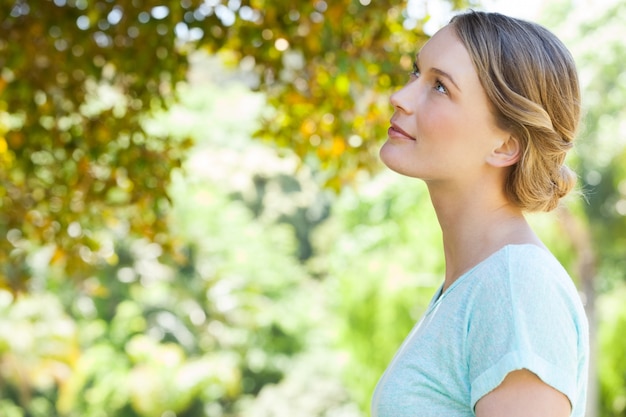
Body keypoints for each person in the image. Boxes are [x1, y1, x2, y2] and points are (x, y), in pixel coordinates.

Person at [372, 10, 589, 417]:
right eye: (416, 73)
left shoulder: (515, 288)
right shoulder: (476, 283)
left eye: (439, 87)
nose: (399, 97)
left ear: (505, 145)